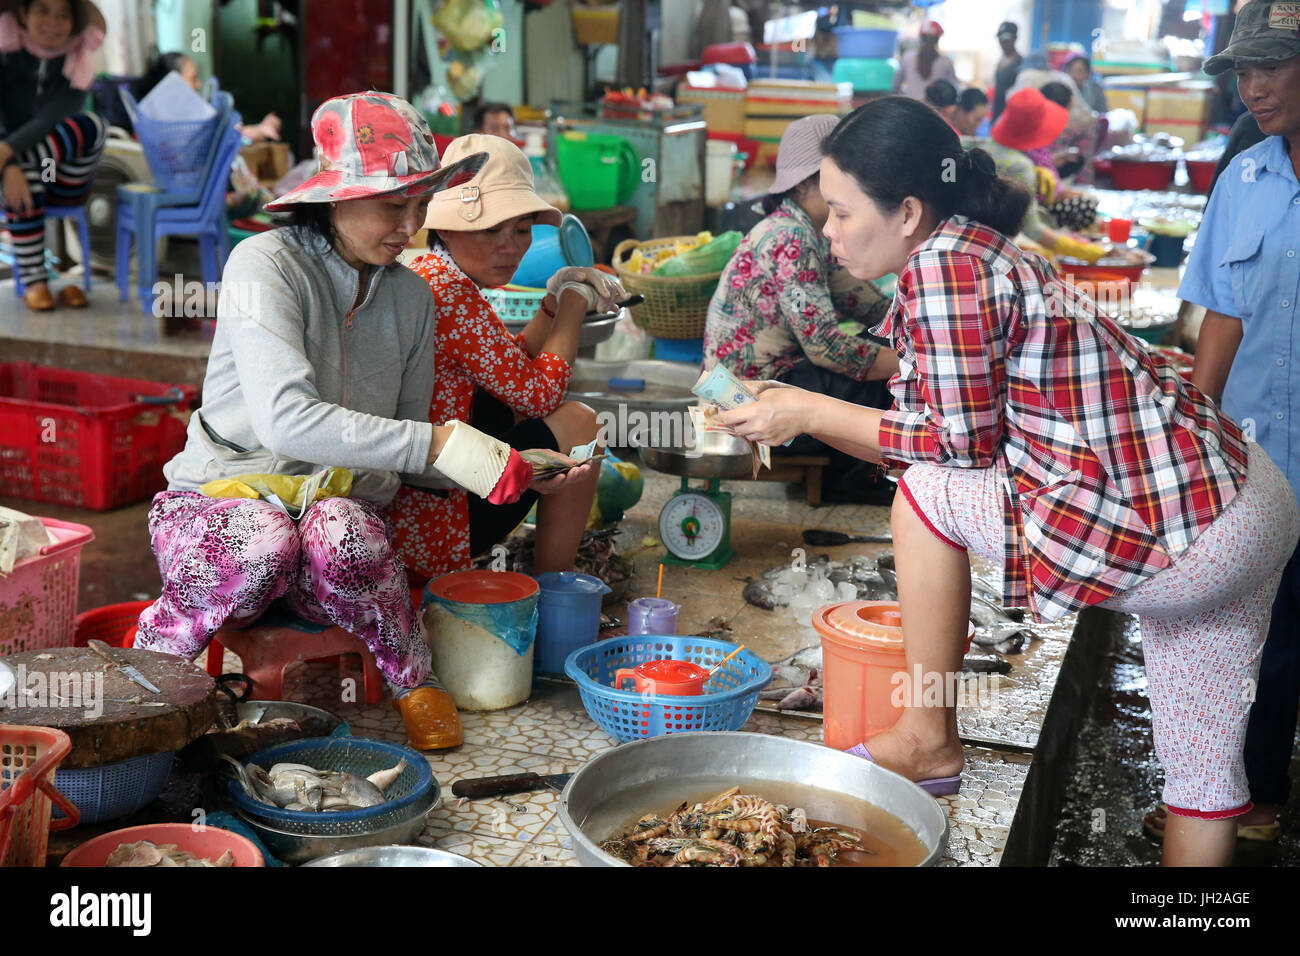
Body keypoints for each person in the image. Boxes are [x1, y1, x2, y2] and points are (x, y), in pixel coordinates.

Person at [719, 95, 1300, 867]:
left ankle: (927, 736)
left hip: (1183, 525)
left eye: (841, 213)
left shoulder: (943, 267)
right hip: (1247, 507)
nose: (827, 233)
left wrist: (808, 410)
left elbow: (955, 444)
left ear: (908, 212)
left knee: (923, 488)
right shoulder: (986, 248)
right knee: (1201, 773)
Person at [133, 93, 592, 752]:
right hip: (221, 514)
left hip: (327, 535)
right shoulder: (262, 267)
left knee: (344, 525)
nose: (410, 224)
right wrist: (439, 440)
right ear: (336, 198)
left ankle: (414, 680)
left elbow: (402, 452)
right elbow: (288, 422)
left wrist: (507, 471)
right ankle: (146, 672)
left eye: (417, 205)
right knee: (265, 537)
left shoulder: (409, 296)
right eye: (391, 205)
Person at [1143, 0, 1300, 847]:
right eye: (1242, 69)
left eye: (1271, 64)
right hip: (1257, 462)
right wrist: (1192, 439)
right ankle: (1252, 797)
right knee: (1257, 637)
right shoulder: (1244, 177)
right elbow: (1223, 317)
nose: (1252, 86)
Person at [388, 133, 611, 583]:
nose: (510, 245)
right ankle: (556, 590)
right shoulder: (449, 294)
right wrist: (573, 302)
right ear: (445, 226)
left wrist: (549, 304)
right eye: (491, 229)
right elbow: (539, 396)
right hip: (432, 525)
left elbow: (507, 364)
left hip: (407, 508)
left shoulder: (425, 269)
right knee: (583, 423)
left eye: (522, 229)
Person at [702, 114, 898, 503]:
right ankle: (849, 483)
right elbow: (825, 346)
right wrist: (909, 363)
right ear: (806, 183)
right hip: (743, 398)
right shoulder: (789, 237)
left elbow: (867, 304)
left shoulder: (812, 231)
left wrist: (917, 330)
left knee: (871, 347)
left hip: (772, 378)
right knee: (874, 375)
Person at [0, 0, 106, 311]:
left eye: (63, 14)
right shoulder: (5, 54)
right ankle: (36, 283)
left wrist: (5, 155)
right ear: (23, 13)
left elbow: (50, 119)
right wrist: (11, 168)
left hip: (63, 180)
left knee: (93, 124)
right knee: (25, 182)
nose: (53, 21)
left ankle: (19, 168)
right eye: (43, 10)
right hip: (18, 183)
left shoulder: (78, 64)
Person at [984, 87, 1106, 261]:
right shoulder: (1022, 167)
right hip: (1000, 249)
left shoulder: (990, 146)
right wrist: (1087, 251)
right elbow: (1033, 229)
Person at [135, 50, 282, 144]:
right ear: (173, 83)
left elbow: (226, 132)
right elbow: (227, 138)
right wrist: (259, 131)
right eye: (193, 79)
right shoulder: (173, 124)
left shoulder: (153, 117)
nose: (199, 85)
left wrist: (259, 129)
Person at [893, 20, 957, 103]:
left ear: (920, 38)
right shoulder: (946, 62)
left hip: (910, 107)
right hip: (935, 110)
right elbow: (954, 90)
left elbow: (895, 86)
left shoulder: (907, 57)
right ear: (938, 39)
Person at [991, 21, 1022, 120]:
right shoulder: (1001, 60)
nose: (1003, 44)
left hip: (1009, 117)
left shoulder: (1020, 64)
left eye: (1007, 40)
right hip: (997, 114)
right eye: (1001, 40)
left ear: (1015, 39)